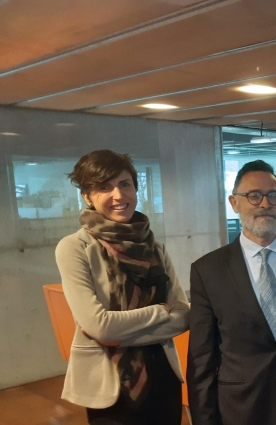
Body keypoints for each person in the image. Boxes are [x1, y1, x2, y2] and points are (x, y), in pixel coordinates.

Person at [55, 150, 190, 424]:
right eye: (104, 187)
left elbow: (184, 316)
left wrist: (116, 333)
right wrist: (160, 311)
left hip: (164, 376)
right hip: (109, 385)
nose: (118, 195)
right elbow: (99, 326)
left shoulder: (155, 248)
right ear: (87, 196)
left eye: (125, 184)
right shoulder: (75, 248)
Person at [187, 160, 276, 425]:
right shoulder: (208, 270)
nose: (264, 204)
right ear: (234, 203)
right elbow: (201, 361)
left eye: (273, 196)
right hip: (240, 410)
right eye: (253, 196)